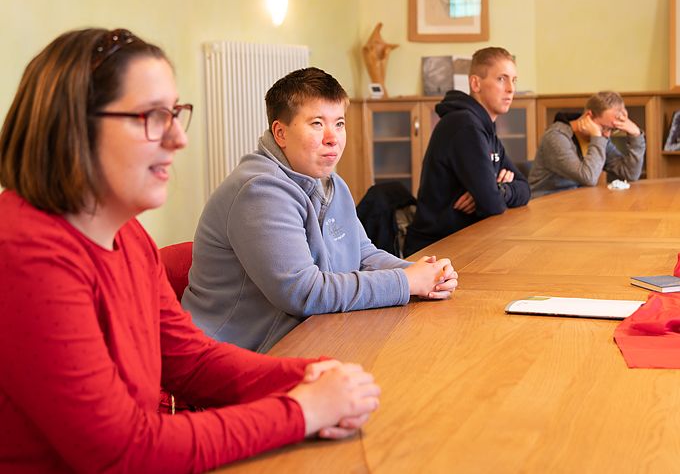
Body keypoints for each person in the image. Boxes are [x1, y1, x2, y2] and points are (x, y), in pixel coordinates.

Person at [0, 28, 382, 473]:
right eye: (151, 116)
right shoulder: (26, 254)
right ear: (74, 127)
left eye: (176, 114)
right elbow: (122, 451)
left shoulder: (126, 235)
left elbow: (189, 360)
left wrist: (308, 376)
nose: (179, 139)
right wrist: (302, 411)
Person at [182, 67, 458, 353]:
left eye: (339, 123)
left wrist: (424, 274)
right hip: (230, 357)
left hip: (308, 336)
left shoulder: (331, 184)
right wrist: (406, 282)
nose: (333, 138)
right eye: (317, 123)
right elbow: (303, 293)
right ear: (280, 133)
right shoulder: (259, 191)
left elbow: (362, 254)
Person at [404, 47, 530, 256]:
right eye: (501, 79)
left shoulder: (485, 127)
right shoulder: (464, 126)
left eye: (514, 80)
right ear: (475, 83)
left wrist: (498, 189)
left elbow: (524, 188)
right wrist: (492, 192)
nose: (510, 89)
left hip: (468, 239)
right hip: (437, 250)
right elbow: (492, 204)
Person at [529, 91, 646, 197]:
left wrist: (635, 135)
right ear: (589, 116)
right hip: (546, 206)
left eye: (612, 129)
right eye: (605, 128)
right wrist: (596, 135)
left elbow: (630, 174)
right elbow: (588, 178)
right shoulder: (556, 137)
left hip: (577, 203)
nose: (607, 135)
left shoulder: (600, 137)